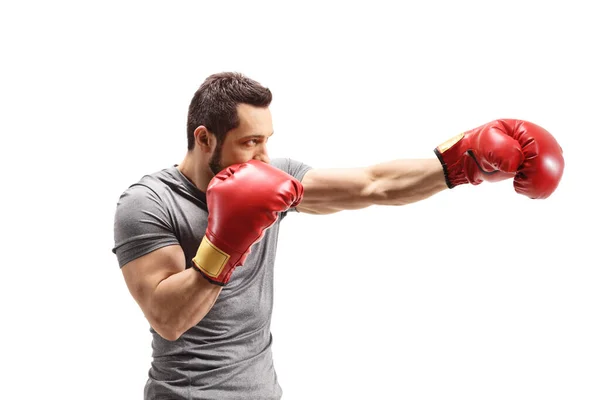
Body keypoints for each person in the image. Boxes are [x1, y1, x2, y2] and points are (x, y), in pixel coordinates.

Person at [112, 72, 564, 399]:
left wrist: (461, 163)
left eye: (267, 140)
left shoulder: (271, 178)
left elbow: (373, 184)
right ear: (204, 138)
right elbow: (167, 318)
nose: (264, 156)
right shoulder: (148, 202)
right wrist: (224, 242)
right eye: (250, 142)